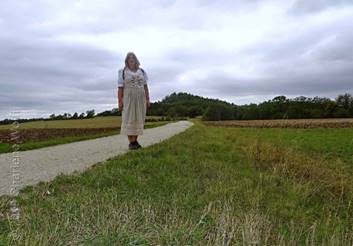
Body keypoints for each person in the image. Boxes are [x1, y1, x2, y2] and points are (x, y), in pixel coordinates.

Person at [117, 52, 151, 150]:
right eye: (129, 58)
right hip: (128, 98)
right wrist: (120, 101)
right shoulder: (122, 72)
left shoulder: (142, 71)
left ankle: (134, 142)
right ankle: (132, 142)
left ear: (136, 60)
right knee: (128, 118)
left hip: (141, 98)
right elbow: (120, 88)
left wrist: (148, 99)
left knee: (139, 118)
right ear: (126, 61)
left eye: (133, 58)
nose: (131, 59)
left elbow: (145, 86)